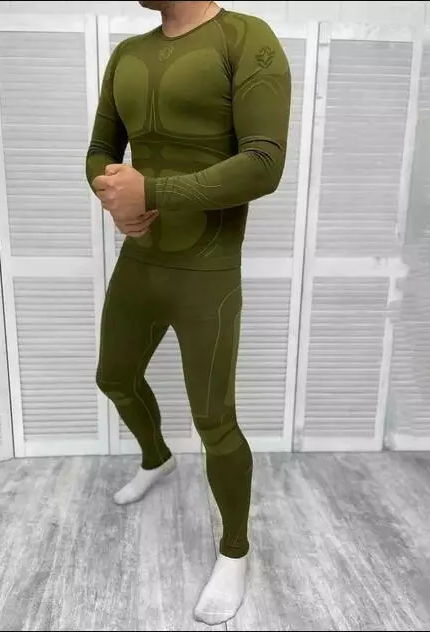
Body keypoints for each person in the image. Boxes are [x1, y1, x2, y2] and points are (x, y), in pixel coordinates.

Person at [86, 0, 290, 625]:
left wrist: (152, 190)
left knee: (215, 422)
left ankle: (235, 551)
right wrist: (113, 197)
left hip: (208, 272)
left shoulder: (246, 38)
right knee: (114, 377)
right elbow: (99, 150)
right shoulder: (128, 53)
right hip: (140, 262)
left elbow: (264, 163)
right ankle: (157, 458)